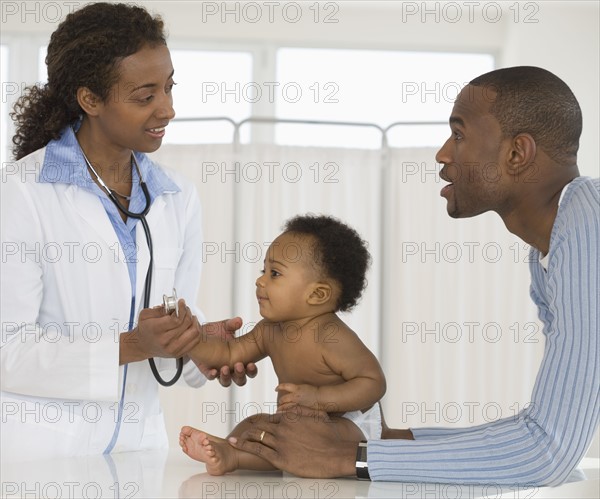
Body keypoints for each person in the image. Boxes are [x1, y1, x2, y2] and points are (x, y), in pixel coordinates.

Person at [228, 66, 600, 486]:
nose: (443, 154)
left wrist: (351, 458)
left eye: (458, 135)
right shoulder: (558, 241)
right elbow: (542, 429)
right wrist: (389, 440)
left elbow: (548, 451)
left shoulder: (588, 234)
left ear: (517, 154)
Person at [0, 2, 255, 462]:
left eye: (169, 87)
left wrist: (198, 344)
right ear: (90, 100)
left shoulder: (176, 195)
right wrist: (133, 345)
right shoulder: (21, 194)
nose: (168, 108)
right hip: (40, 456)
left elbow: (174, 308)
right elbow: (7, 350)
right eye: (145, 96)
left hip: (140, 451)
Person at [179, 214, 387, 475]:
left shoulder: (331, 335)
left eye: (274, 273)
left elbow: (373, 383)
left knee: (296, 437)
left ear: (317, 294)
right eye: (263, 271)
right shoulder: (270, 330)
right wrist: (189, 338)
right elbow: (228, 353)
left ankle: (235, 456)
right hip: (297, 422)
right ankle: (229, 446)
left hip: (351, 424)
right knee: (256, 422)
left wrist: (319, 398)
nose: (260, 280)